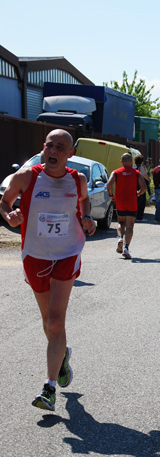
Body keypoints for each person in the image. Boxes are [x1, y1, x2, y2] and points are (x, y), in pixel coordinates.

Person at [0, 129, 96, 411]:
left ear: (70, 154)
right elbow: (4, 202)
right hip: (35, 255)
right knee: (49, 322)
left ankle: (49, 388)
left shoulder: (77, 179)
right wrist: (10, 216)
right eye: (49, 145)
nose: (53, 151)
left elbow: (84, 201)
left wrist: (88, 218)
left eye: (60, 147)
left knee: (55, 322)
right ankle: (62, 354)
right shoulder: (26, 177)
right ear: (44, 148)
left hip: (67, 253)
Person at [107, 153, 146, 259]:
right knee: (130, 226)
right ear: (131, 162)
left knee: (121, 222)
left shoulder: (116, 172)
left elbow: (109, 184)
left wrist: (111, 195)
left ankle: (120, 238)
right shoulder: (137, 173)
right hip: (132, 201)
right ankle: (126, 247)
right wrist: (139, 193)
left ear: (121, 162)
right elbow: (144, 188)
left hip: (120, 201)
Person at [133, 154, 150, 222]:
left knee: (136, 202)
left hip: (135, 186)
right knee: (142, 202)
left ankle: (135, 216)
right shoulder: (140, 167)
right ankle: (139, 217)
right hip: (140, 186)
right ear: (142, 161)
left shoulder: (134, 167)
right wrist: (149, 180)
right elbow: (145, 175)